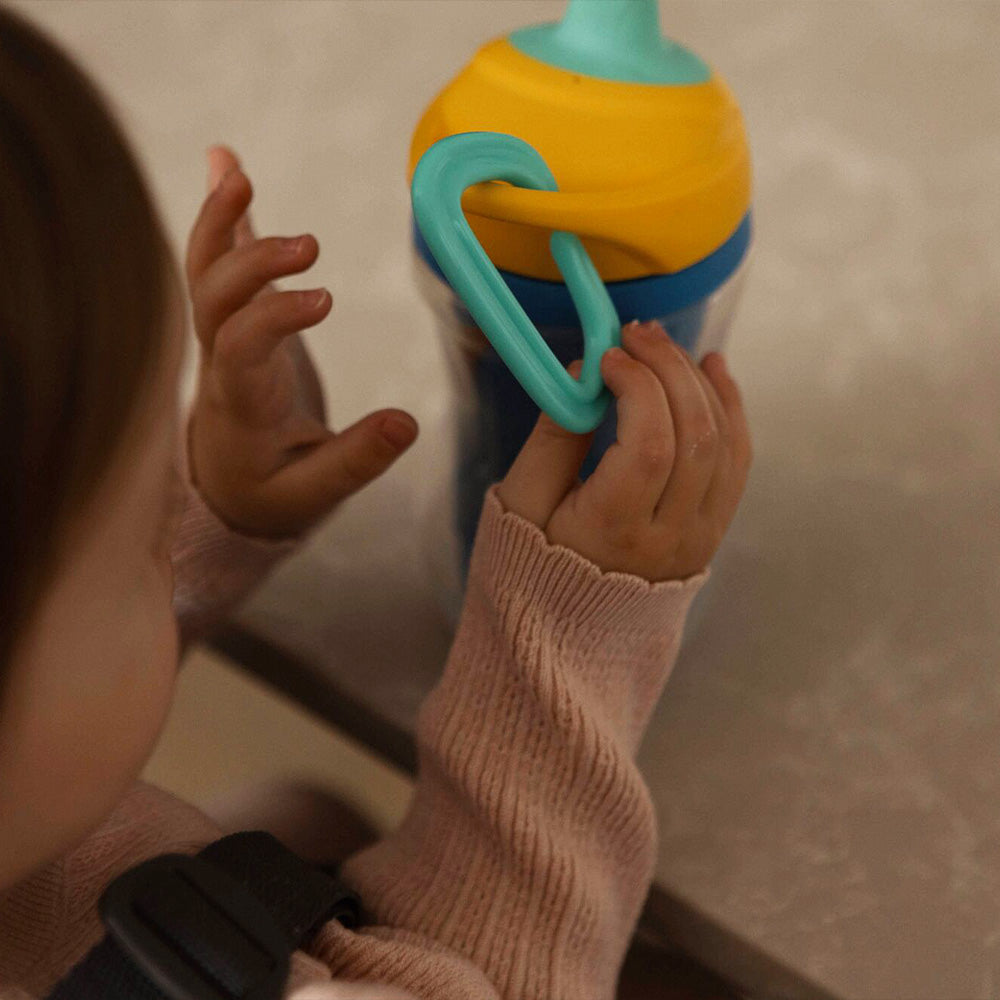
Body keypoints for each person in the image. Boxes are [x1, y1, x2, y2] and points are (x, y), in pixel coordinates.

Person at [0, 6, 752, 998]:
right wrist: (560, 640)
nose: (166, 507)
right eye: (145, 523)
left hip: (218, 888)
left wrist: (215, 511)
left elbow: (58, 649)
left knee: (299, 813)